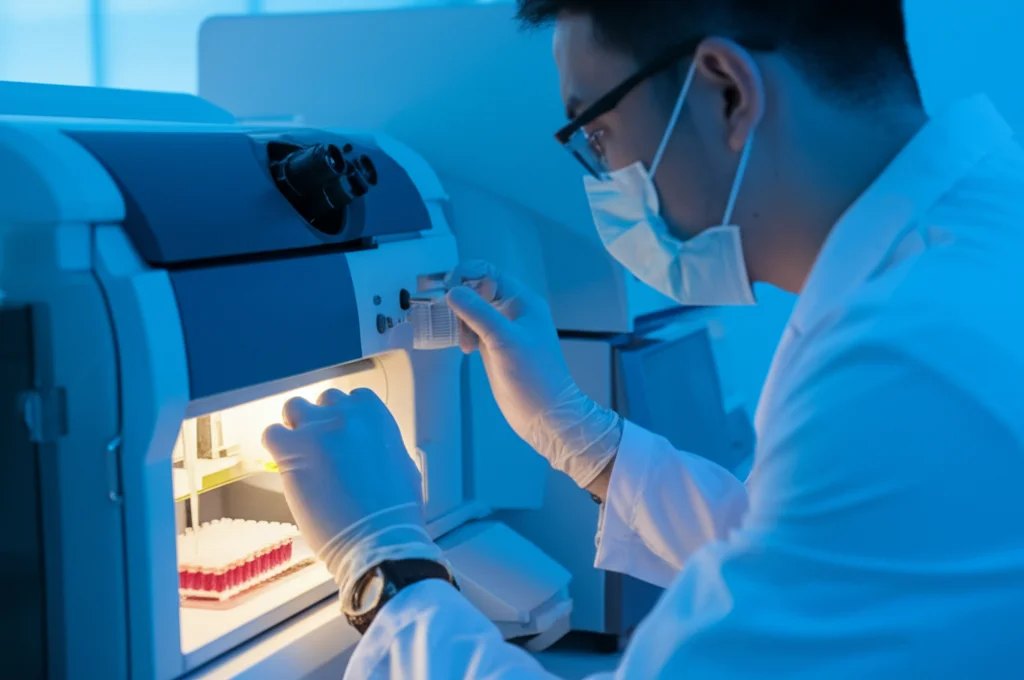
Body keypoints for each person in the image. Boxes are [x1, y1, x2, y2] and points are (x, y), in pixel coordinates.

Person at [262, 0, 1024, 676]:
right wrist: (575, 430)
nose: (602, 171)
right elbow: (815, 551)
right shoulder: (968, 243)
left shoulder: (905, 355)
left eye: (599, 131)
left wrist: (387, 567)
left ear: (726, 89)